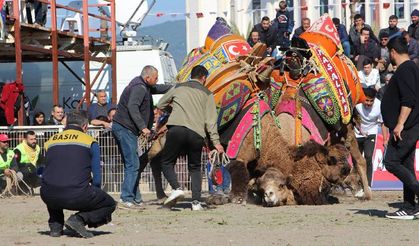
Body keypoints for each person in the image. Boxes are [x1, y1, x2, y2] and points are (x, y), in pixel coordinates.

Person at [157, 65, 224, 210]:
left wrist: (174, 109)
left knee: (167, 162)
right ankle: (196, 203)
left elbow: (161, 103)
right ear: (204, 78)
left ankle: (176, 188)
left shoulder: (178, 87)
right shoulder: (207, 93)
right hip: (196, 133)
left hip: (176, 129)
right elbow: (211, 121)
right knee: (195, 168)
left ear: (192, 75)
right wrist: (216, 143)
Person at [40, 111, 116, 238]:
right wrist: (94, 195)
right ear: (85, 126)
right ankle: (79, 219)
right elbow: (97, 178)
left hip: (47, 194)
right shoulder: (90, 142)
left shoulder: (50, 141)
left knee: (54, 184)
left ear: (66, 124)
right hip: (77, 195)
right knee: (110, 203)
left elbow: (46, 170)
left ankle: (55, 226)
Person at [112, 65, 172, 209]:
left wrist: (176, 86)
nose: (157, 81)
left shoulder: (143, 86)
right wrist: (143, 127)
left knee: (132, 164)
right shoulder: (139, 88)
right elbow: (133, 107)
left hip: (124, 128)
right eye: (155, 78)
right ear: (147, 78)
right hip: (125, 129)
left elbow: (159, 88)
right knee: (133, 164)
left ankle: (136, 198)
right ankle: (126, 198)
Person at [380, 36, 419, 219]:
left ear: (393, 52)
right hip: (410, 126)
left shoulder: (405, 69)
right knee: (406, 165)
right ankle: (410, 207)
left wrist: (400, 124)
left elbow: (408, 100)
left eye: (389, 53)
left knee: (391, 162)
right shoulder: (412, 68)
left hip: (407, 127)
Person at [354, 88, 387, 189]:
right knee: (356, 159)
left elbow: (382, 123)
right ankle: (356, 183)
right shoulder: (357, 103)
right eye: (366, 100)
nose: (368, 103)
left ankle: (367, 185)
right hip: (357, 133)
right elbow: (353, 118)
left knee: (368, 157)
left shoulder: (379, 105)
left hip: (371, 133)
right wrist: (360, 129)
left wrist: (385, 139)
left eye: (371, 101)